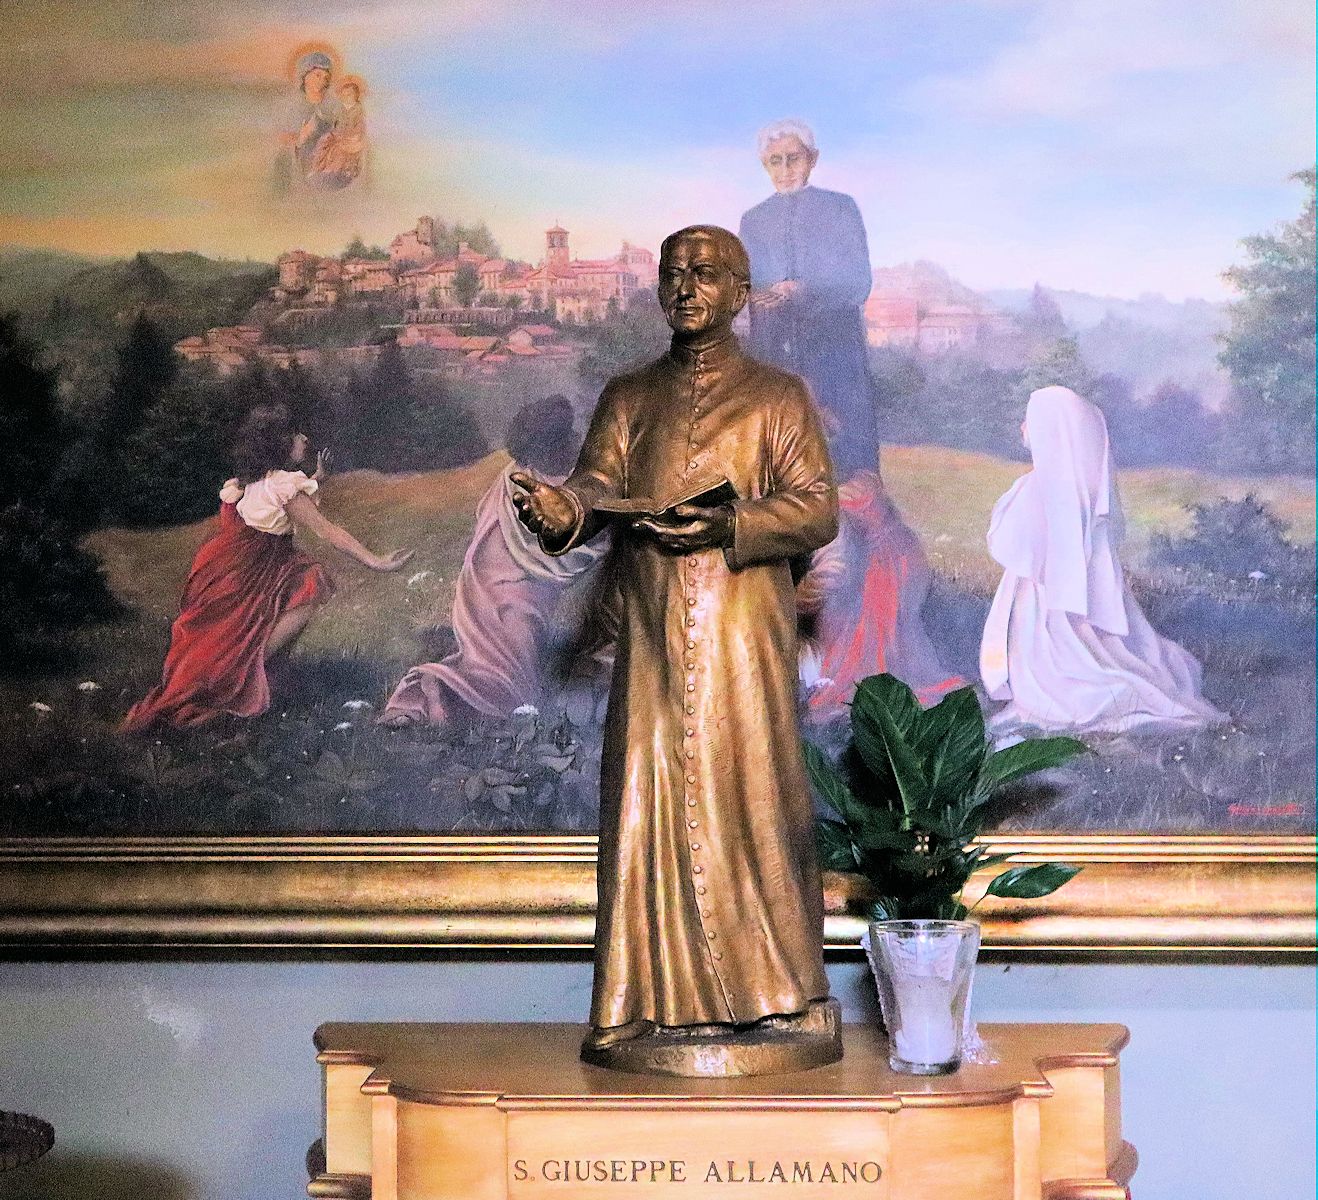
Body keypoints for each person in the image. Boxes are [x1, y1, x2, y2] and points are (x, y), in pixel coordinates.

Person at [512, 225, 839, 1063]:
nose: (686, 287)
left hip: (743, 627)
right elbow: (597, 484)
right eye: (673, 274)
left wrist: (731, 520)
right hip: (654, 628)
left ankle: (781, 997)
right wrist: (565, 514)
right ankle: (643, 1002)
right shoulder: (628, 394)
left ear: (741, 293)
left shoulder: (778, 396)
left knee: (750, 792)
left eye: (705, 273)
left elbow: (816, 508)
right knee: (647, 791)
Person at [123, 406, 411, 732]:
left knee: (228, 638)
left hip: (228, 564)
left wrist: (318, 480)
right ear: (280, 443)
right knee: (310, 584)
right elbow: (326, 530)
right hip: (251, 568)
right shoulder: (282, 485)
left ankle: (249, 670)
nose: (304, 439)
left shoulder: (251, 483)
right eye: (297, 434)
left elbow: (273, 504)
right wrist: (376, 561)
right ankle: (248, 670)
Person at [980, 386, 1226, 736]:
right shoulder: (1081, 488)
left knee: (1050, 643)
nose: (1023, 427)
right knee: (1080, 643)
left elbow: (1013, 543)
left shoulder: (1038, 487)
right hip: (1045, 589)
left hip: (1039, 594)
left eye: (1031, 420)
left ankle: (1061, 684)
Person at [378, 395, 610, 729]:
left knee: (503, 673)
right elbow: (538, 551)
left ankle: (437, 696)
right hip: (500, 592)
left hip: (503, 588)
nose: (573, 444)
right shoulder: (524, 484)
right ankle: (430, 693)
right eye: (564, 439)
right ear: (542, 448)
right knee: (513, 683)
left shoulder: (554, 478)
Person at [738, 118, 877, 477]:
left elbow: (858, 282)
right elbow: (747, 289)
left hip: (834, 354)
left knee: (846, 467)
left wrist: (802, 289)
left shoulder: (841, 208)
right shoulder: (753, 220)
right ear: (764, 165)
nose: (785, 170)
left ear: (812, 159)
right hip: (774, 356)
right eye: (775, 161)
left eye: (793, 158)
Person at [312, 76, 367, 189]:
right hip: (338, 135)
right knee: (324, 141)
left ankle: (334, 171)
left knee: (338, 150)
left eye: (349, 95)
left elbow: (359, 127)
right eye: (343, 95)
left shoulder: (358, 110)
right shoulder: (340, 108)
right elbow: (333, 120)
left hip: (351, 138)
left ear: (356, 96)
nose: (345, 97)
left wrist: (350, 135)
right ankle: (318, 167)